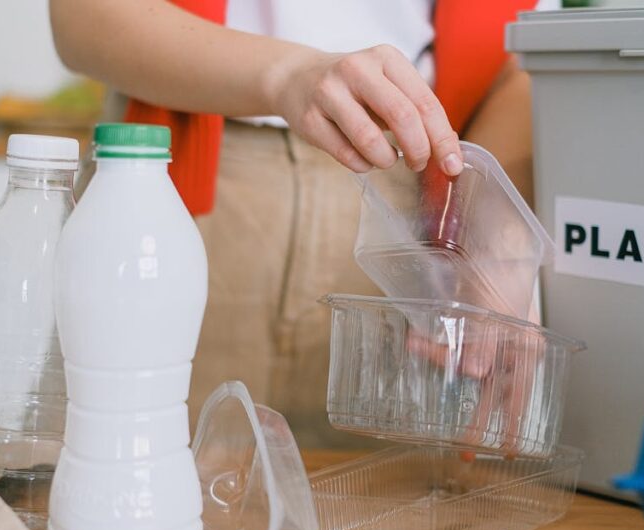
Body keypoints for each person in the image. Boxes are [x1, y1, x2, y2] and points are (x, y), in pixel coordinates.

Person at [50, 0, 557, 447]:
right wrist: (286, 72)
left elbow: (525, 61)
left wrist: (494, 237)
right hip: (190, 183)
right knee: (128, 473)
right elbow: (83, 15)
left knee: (379, 504)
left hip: (411, 207)